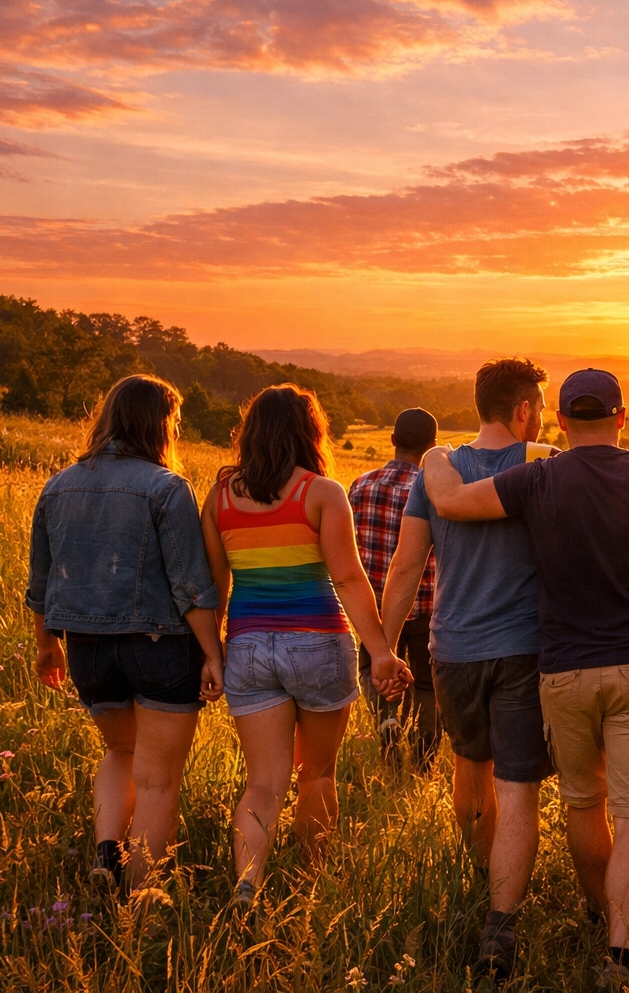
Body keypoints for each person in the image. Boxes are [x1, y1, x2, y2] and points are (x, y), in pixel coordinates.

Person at [419, 368, 629, 988]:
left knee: (585, 802)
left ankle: (594, 913)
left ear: (558, 421)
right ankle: (621, 954)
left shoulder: (537, 479)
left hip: (561, 671)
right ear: (622, 418)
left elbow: (449, 503)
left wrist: (435, 456)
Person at [200, 383, 412, 908]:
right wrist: (381, 651)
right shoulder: (320, 493)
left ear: (249, 435)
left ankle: (248, 883)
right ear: (309, 431)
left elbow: (213, 590)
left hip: (247, 648)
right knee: (316, 774)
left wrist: (210, 654)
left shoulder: (221, 496)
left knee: (263, 785)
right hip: (318, 643)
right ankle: (314, 884)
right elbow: (349, 578)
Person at [381, 358, 559, 979]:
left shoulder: (440, 470)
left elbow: (405, 568)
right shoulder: (540, 465)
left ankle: (483, 879)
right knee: (518, 791)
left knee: (469, 768)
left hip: (451, 646)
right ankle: (501, 922)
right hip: (522, 648)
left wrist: (381, 648)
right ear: (523, 409)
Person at [26, 375, 226, 891]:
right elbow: (190, 584)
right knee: (159, 780)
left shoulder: (58, 485)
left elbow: (41, 582)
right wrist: (213, 653)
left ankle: (107, 856)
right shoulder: (166, 487)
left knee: (120, 752)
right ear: (158, 424)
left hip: (86, 650)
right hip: (159, 648)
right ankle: (143, 898)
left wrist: (46, 644)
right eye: (174, 422)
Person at [348, 407, 439, 770]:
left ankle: (387, 726)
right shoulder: (433, 490)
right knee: (427, 689)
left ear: (392, 441)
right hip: (424, 606)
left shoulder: (360, 485)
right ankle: (424, 762)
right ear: (432, 446)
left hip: (371, 609)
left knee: (374, 673)